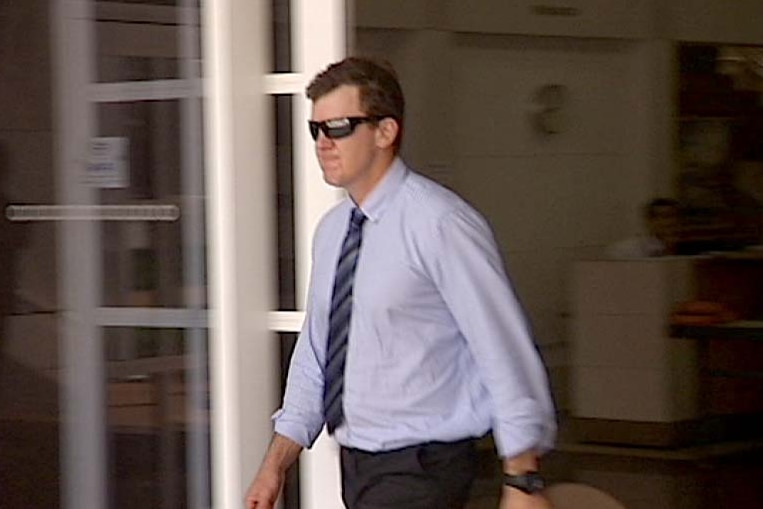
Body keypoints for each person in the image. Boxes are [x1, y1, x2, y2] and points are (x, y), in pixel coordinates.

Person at [245, 57, 556, 509]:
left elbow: (502, 347)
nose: (322, 144)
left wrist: (523, 478)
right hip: (357, 462)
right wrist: (274, 466)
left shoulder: (440, 224)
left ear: (385, 132)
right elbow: (317, 355)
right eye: (316, 130)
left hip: (424, 465)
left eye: (338, 127)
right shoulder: (333, 232)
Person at [607, 198, 681, 258]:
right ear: (650, 221)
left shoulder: (684, 248)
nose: (671, 221)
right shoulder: (623, 250)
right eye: (665, 217)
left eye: (675, 216)